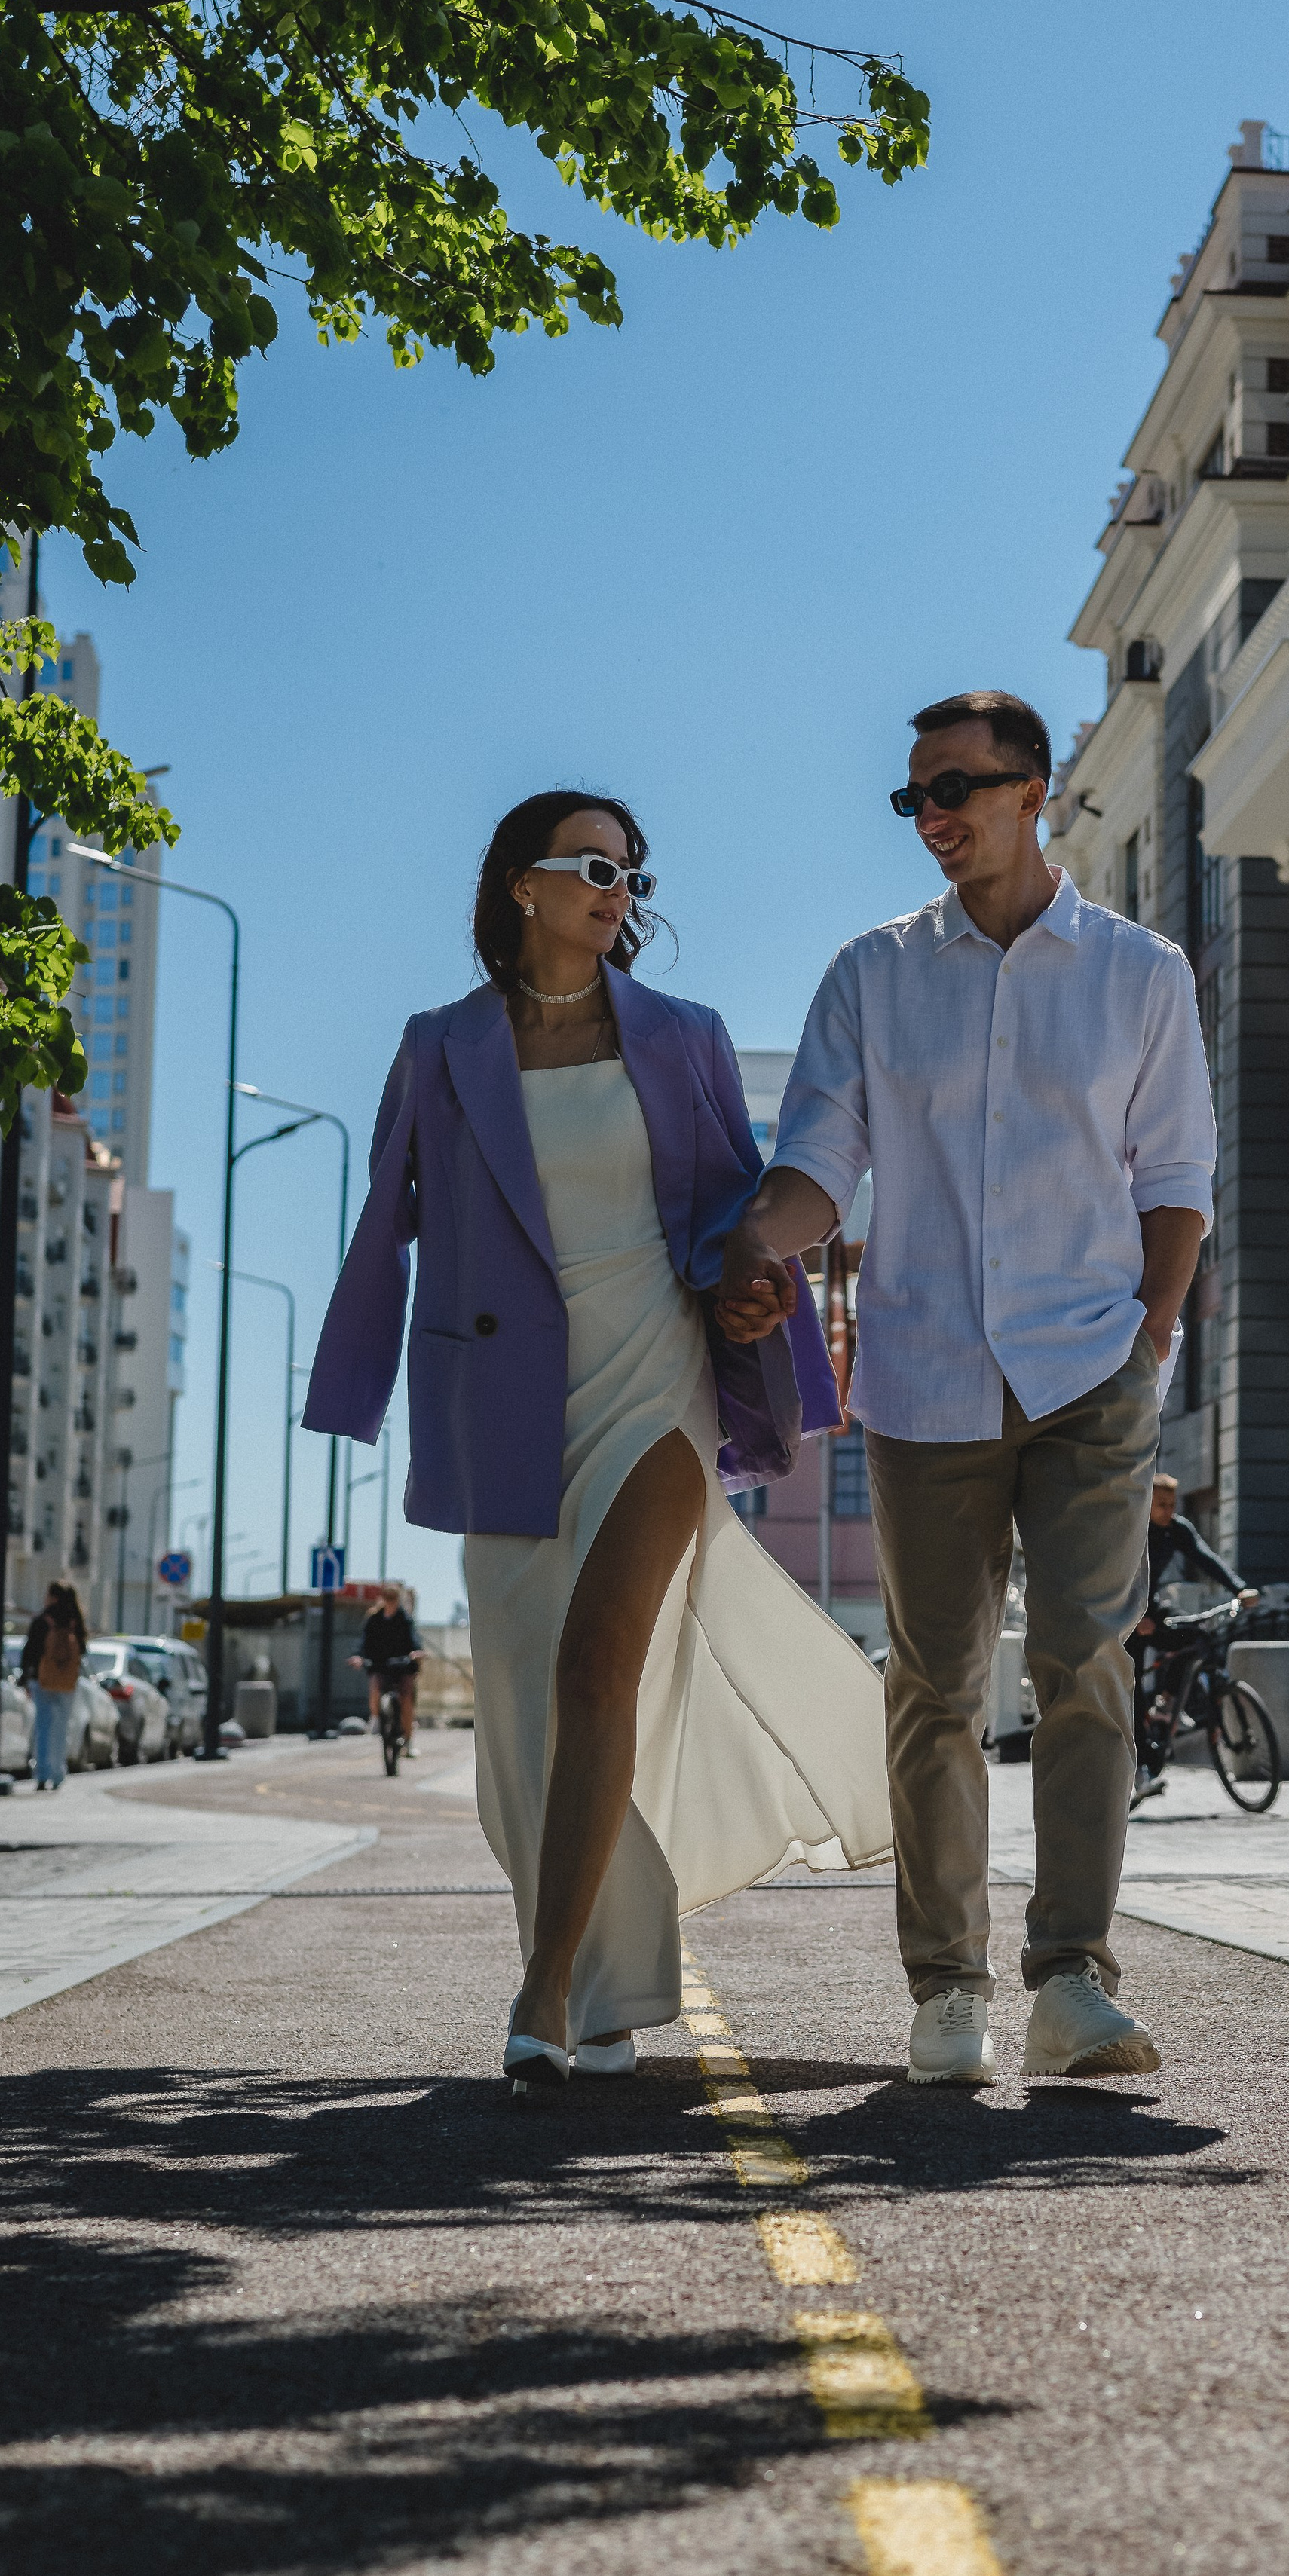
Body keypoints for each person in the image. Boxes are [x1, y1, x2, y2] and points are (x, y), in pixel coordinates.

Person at [303, 789, 891, 2094]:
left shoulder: (683, 1036)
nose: (614, 885)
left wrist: (750, 1286)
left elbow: (731, 1208)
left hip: (655, 1384)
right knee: (518, 1709)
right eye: (587, 864)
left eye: (629, 869)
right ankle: (613, 1969)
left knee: (593, 1669)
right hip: (499, 1400)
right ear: (521, 885)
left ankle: (544, 1988)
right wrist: (349, 1394)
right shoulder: (440, 1046)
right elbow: (384, 1225)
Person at [717, 692, 1215, 2085]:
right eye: (917, 798)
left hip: (1089, 1369)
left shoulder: (1139, 973)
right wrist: (759, 1249)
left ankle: (1072, 1981)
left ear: (1033, 792)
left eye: (960, 791)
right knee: (933, 1684)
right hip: (926, 1376)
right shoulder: (871, 977)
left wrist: (1150, 1340)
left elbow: (1178, 1181)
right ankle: (948, 1991)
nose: (935, 818)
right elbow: (819, 1166)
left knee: (1085, 1666)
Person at [1128, 1475, 1258, 1800]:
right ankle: (1141, 1772)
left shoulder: (1177, 1529)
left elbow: (1205, 1557)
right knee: (1131, 1689)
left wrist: (1239, 1588)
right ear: (1147, 1503)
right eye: (1161, 1505)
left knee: (1194, 1638)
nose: (1168, 1511)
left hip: (1151, 1607)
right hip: (1125, 1609)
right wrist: (1134, 1615)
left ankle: (1168, 1700)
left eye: (1172, 1505)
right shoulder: (1133, 1529)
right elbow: (1117, 1574)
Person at [21, 1580, 87, 1792]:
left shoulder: (43, 1619)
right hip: (67, 1682)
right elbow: (83, 1650)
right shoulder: (75, 1621)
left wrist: (26, 1676)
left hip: (43, 1680)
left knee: (43, 1727)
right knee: (61, 1728)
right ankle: (58, 1774)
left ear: (53, 1596)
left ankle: (41, 1774)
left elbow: (30, 1650)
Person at [359, 1585, 424, 1755]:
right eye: (387, 1598)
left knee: (407, 1695)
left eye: (393, 1598)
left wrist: (416, 1652)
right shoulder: (374, 1619)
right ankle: (376, 1718)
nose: (390, 1602)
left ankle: (408, 1741)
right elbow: (363, 1642)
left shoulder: (405, 1619)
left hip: (403, 1665)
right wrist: (358, 1656)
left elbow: (414, 1639)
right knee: (375, 1684)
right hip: (381, 1665)